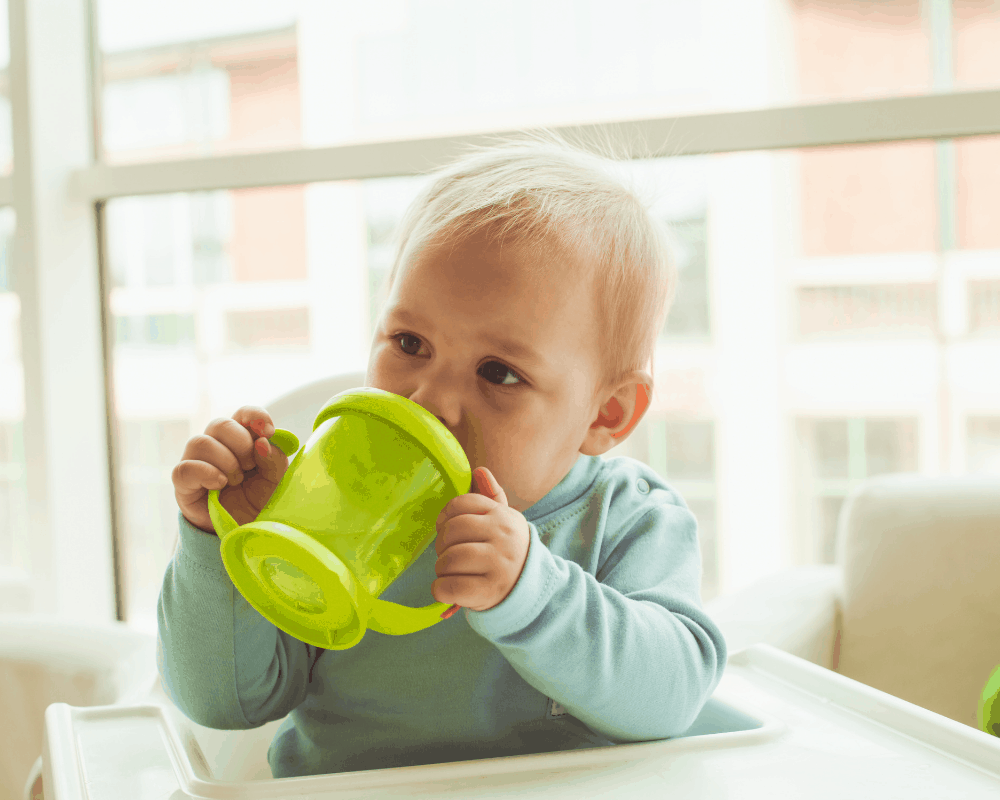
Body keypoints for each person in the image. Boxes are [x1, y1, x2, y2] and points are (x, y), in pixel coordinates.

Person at [160, 133, 728, 778]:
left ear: (606, 414)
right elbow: (225, 702)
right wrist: (220, 546)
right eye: (409, 341)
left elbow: (673, 698)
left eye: (499, 372)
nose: (431, 399)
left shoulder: (629, 518)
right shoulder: (333, 501)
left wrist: (533, 595)